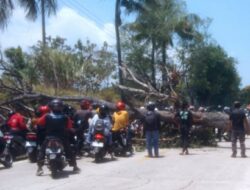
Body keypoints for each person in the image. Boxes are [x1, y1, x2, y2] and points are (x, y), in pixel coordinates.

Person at [36, 99, 80, 176]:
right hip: (62, 137)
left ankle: (39, 168)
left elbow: (39, 123)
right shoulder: (65, 117)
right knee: (68, 150)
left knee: (42, 151)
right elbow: (69, 127)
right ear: (61, 107)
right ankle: (74, 166)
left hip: (49, 137)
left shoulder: (47, 116)